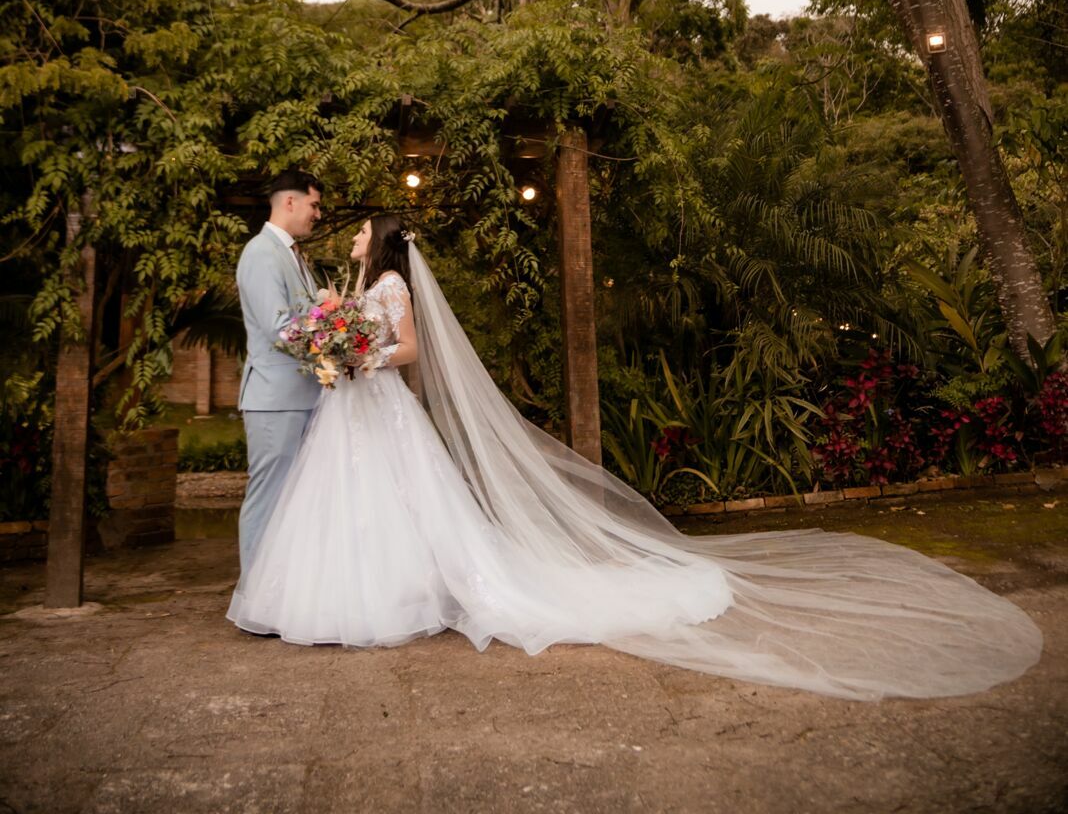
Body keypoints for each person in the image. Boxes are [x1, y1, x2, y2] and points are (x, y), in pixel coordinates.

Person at [227, 216, 1043, 700]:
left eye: (364, 229)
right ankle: (377, 591)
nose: (357, 236)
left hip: (379, 405)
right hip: (355, 415)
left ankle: (421, 591)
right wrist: (342, 347)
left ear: (383, 239)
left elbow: (405, 351)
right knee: (364, 509)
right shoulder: (352, 286)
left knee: (407, 503)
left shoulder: (393, 286)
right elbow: (356, 338)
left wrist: (361, 357)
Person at [234, 168, 324, 573]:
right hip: (275, 399)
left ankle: (284, 593)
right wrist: (334, 338)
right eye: (314, 204)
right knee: (269, 496)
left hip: (303, 394)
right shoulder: (260, 252)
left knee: (296, 499)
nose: (317, 214)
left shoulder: (291, 253)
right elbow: (280, 327)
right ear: (290, 201)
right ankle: (255, 594)